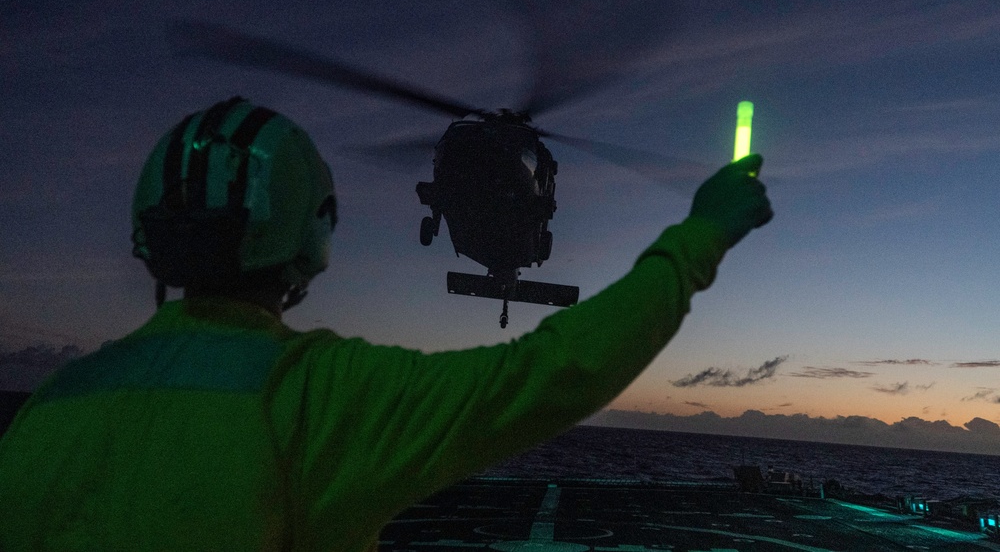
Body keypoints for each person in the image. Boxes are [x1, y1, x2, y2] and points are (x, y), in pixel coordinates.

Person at [0, 96, 773, 552]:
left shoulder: (49, 406)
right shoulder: (321, 394)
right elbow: (554, 371)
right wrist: (702, 234)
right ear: (310, 236)